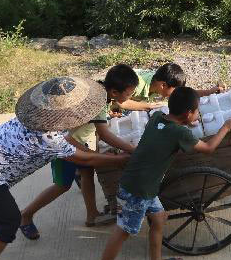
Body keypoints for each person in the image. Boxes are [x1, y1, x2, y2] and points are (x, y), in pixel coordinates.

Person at [0, 76, 129, 260]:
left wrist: (92, 152)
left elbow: (72, 144)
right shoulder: (48, 138)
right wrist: (120, 160)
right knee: (9, 220)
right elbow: (85, 159)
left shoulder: (38, 117)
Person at [92, 86, 231, 260]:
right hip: (139, 189)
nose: (197, 115)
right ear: (188, 114)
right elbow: (209, 149)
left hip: (144, 184)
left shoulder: (157, 118)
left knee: (159, 218)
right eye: (196, 111)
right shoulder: (179, 133)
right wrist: (226, 126)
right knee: (123, 230)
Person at [18, 64, 140, 238]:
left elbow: (97, 126)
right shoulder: (98, 102)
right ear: (113, 92)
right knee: (62, 185)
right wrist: (131, 149)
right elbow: (104, 134)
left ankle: (92, 215)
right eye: (128, 94)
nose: (130, 97)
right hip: (63, 144)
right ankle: (26, 215)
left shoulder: (97, 91)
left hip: (77, 141)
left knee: (87, 171)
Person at [114, 62, 225, 113]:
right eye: (174, 90)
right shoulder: (136, 85)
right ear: (163, 85)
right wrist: (148, 106)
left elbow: (184, 93)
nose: (176, 94)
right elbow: (119, 100)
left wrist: (209, 92)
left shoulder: (157, 81)